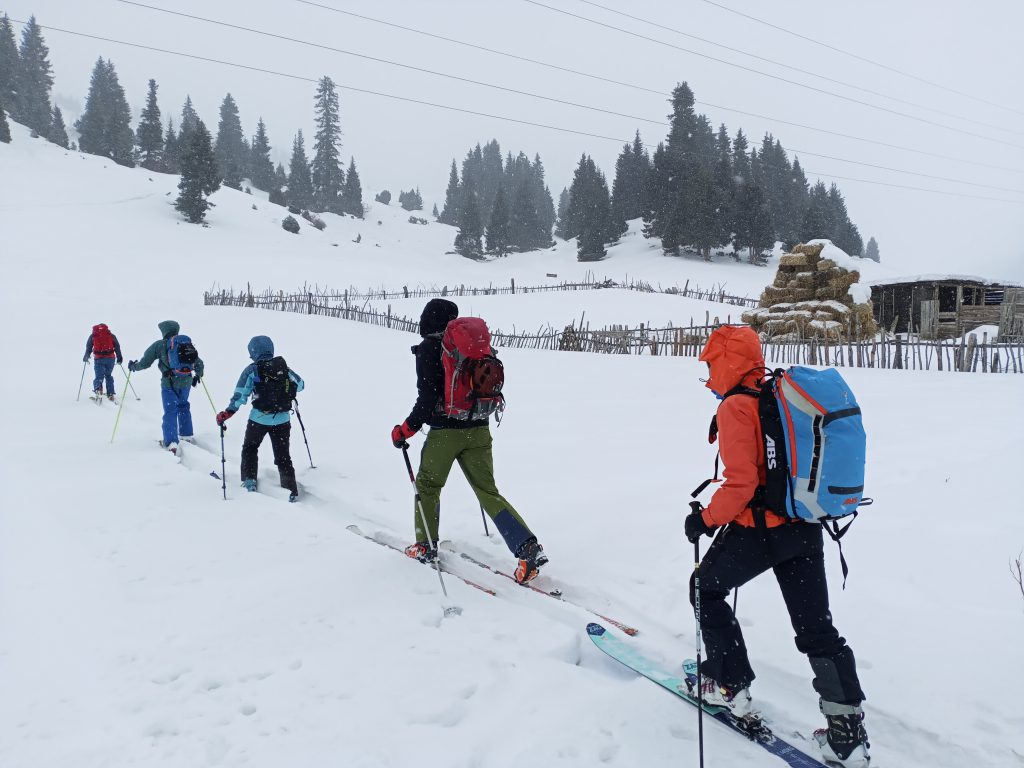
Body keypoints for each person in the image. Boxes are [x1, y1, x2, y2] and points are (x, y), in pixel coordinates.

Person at [684, 325, 869, 768]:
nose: (709, 373)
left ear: (727, 361)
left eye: (711, 363)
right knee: (816, 630)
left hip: (759, 531)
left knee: (705, 589)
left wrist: (704, 520)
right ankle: (847, 734)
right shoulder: (778, 396)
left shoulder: (737, 406)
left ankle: (729, 686)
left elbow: (742, 484)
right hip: (805, 529)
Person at [391, 298, 547, 584]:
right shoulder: (471, 350)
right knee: (488, 491)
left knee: (428, 484)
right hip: (479, 429)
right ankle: (527, 548)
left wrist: (405, 430)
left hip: (444, 434)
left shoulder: (429, 349)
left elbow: (426, 401)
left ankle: (425, 545)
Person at [215, 336, 304, 502]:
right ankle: (290, 490)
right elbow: (301, 384)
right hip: (283, 420)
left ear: (253, 352)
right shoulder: (283, 367)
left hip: (259, 420)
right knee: (283, 456)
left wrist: (228, 412)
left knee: (250, 448)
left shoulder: (251, 369)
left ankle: (249, 481)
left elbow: (240, 394)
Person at [127, 321, 204, 454]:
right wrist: (198, 375)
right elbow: (198, 362)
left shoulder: (160, 345)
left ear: (164, 331)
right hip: (186, 381)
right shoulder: (185, 343)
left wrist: (134, 366)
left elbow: (145, 363)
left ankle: (171, 443)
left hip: (169, 383)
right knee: (183, 406)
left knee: (170, 410)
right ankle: (186, 435)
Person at [83, 323, 123, 401]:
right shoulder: (111, 335)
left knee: (99, 376)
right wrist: (119, 357)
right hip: (110, 359)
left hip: (99, 359)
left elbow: (88, 347)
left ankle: (98, 390)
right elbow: (117, 346)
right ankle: (110, 393)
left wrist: (86, 357)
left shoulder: (93, 336)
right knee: (108, 375)